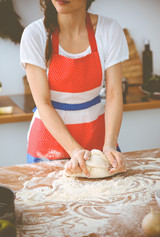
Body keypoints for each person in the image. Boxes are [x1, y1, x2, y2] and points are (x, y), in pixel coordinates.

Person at [20, 0, 129, 177]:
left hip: (98, 138)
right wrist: (74, 150)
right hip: (49, 144)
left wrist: (109, 144)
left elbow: (114, 94)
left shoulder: (109, 29)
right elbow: (43, 103)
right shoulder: (35, 34)